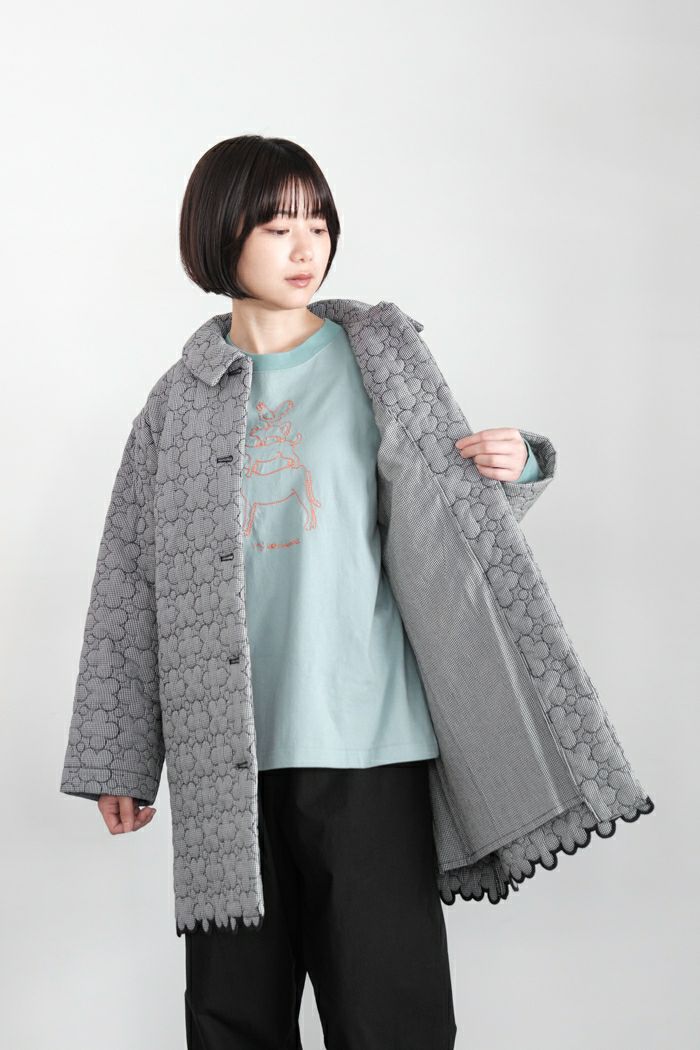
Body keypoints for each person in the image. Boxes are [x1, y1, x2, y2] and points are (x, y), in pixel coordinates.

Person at [61, 135, 547, 1050]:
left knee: (390, 1018)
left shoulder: (377, 359)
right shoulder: (176, 403)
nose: (305, 248)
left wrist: (521, 464)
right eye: (278, 226)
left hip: (368, 746)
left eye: (318, 224)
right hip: (224, 762)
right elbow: (130, 575)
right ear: (222, 235)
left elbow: (448, 527)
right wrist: (119, 756)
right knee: (233, 1019)